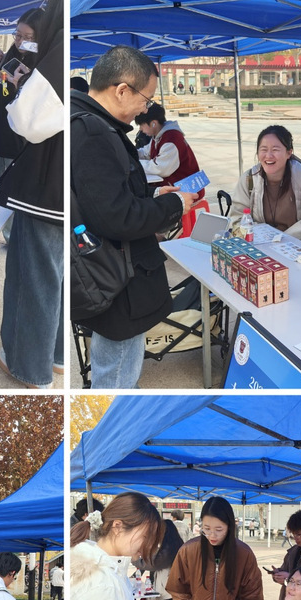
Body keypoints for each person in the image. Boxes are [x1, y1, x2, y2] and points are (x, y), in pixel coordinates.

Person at [71, 46, 197, 388]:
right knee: (116, 376)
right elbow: (117, 217)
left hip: (103, 268)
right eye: (146, 98)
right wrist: (174, 206)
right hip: (118, 278)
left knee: (114, 365)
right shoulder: (94, 132)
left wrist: (152, 196)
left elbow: (103, 197)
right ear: (122, 90)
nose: (147, 107)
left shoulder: (84, 120)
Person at [0, 0, 62, 390]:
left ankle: (28, 368)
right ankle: (54, 357)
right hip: (59, 188)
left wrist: (20, 89)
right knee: (53, 274)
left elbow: (29, 121)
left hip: (45, 188)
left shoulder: (57, 47)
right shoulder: (57, 45)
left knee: (33, 277)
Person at [166, 496, 264, 600]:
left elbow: (253, 594)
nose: (212, 535)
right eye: (206, 528)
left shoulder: (243, 553)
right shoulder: (189, 550)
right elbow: (176, 586)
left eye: (219, 529)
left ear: (229, 526)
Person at [0, 8, 43, 185]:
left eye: (28, 38)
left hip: (19, 145)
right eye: (18, 35)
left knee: (14, 195)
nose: (20, 42)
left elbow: (38, 108)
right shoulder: (6, 58)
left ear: (39, 38)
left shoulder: (43, 65)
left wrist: (23, 83)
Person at [230, 124, 301, 243]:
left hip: (297, 244)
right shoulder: (249, 179)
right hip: (260, 244)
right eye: (264, 149)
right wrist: (262, 236)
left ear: (289, 153)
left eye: (275, 150)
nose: (268, 156)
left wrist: (283, 238)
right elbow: (237, 219)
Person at [134, 103, 201, 191]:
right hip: (174, 183)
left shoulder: (171, 140)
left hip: (188, 188)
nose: (140, 129)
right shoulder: (158, 136)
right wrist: (130, 153)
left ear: (153, 123)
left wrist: (134, 164)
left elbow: (160, 168)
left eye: (141, 125)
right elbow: (146, 153)